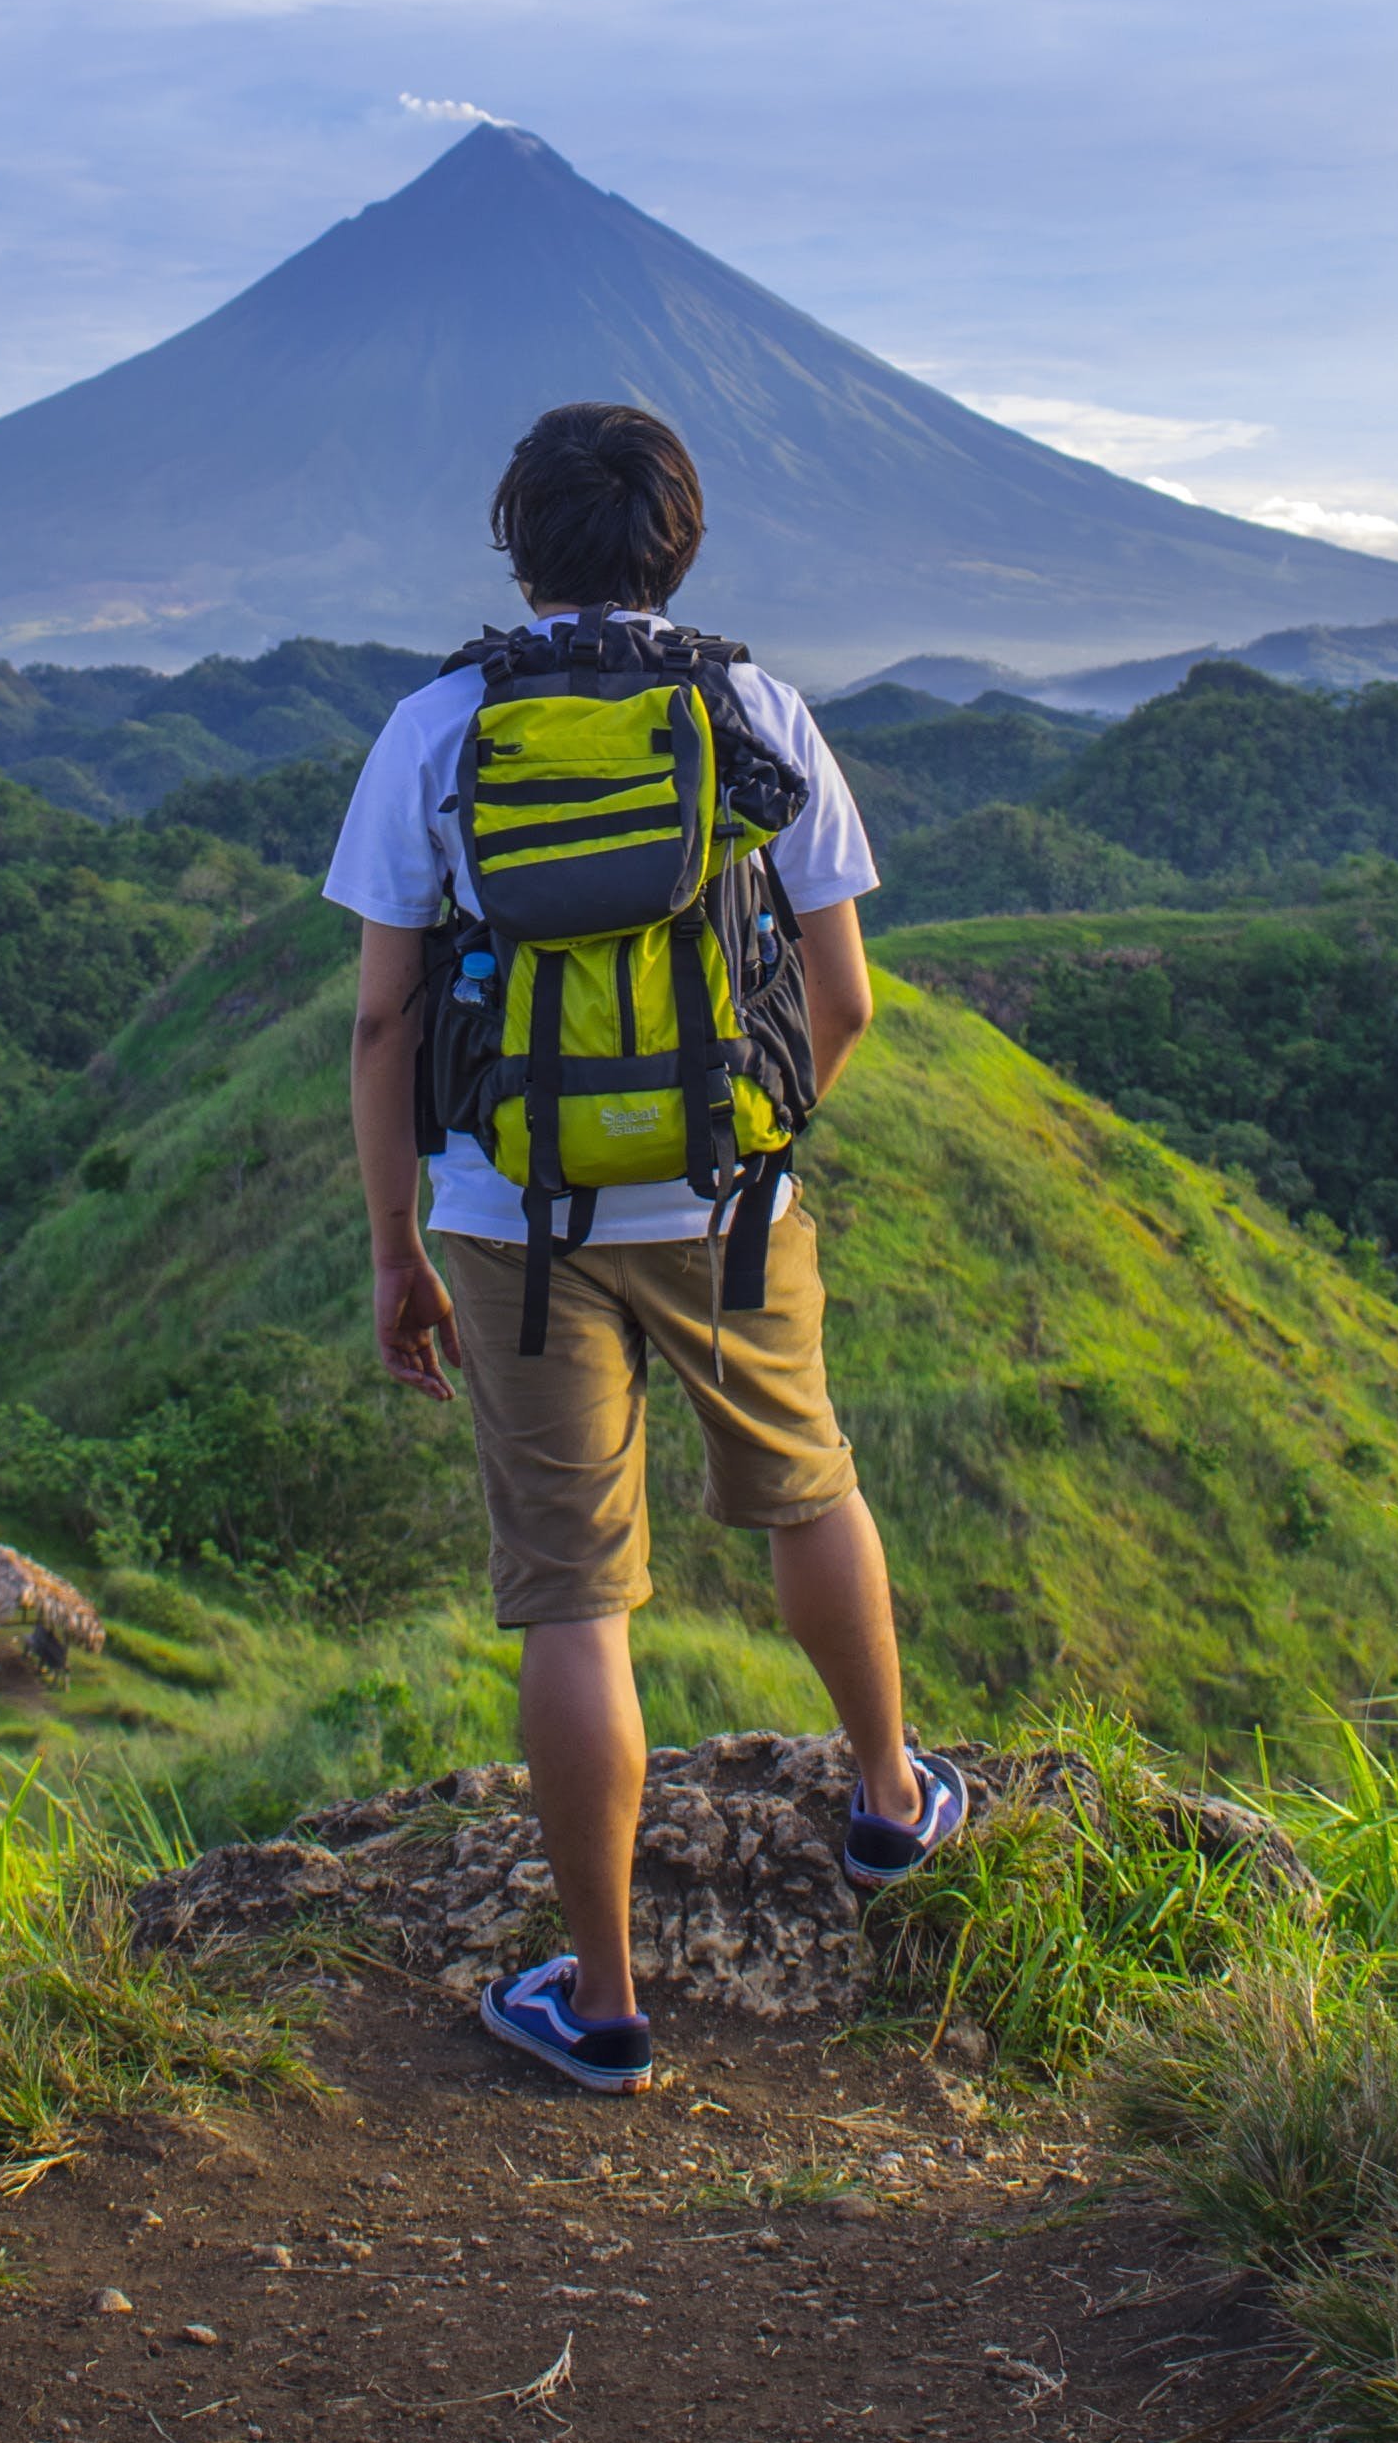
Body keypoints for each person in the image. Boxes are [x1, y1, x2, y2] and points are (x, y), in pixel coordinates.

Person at [324, 398, 957, 2093]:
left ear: (516, 541)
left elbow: (385, 1026)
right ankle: (892, 1803)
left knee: (574, 1599)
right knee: (807, 1484)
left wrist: (398, 1245)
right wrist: (752, 1139)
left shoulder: (440, 725)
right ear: (681, 539)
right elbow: (845, 997)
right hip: (731, 1202)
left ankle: (603, 2005)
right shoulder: (753, 705)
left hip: (507, 1218)